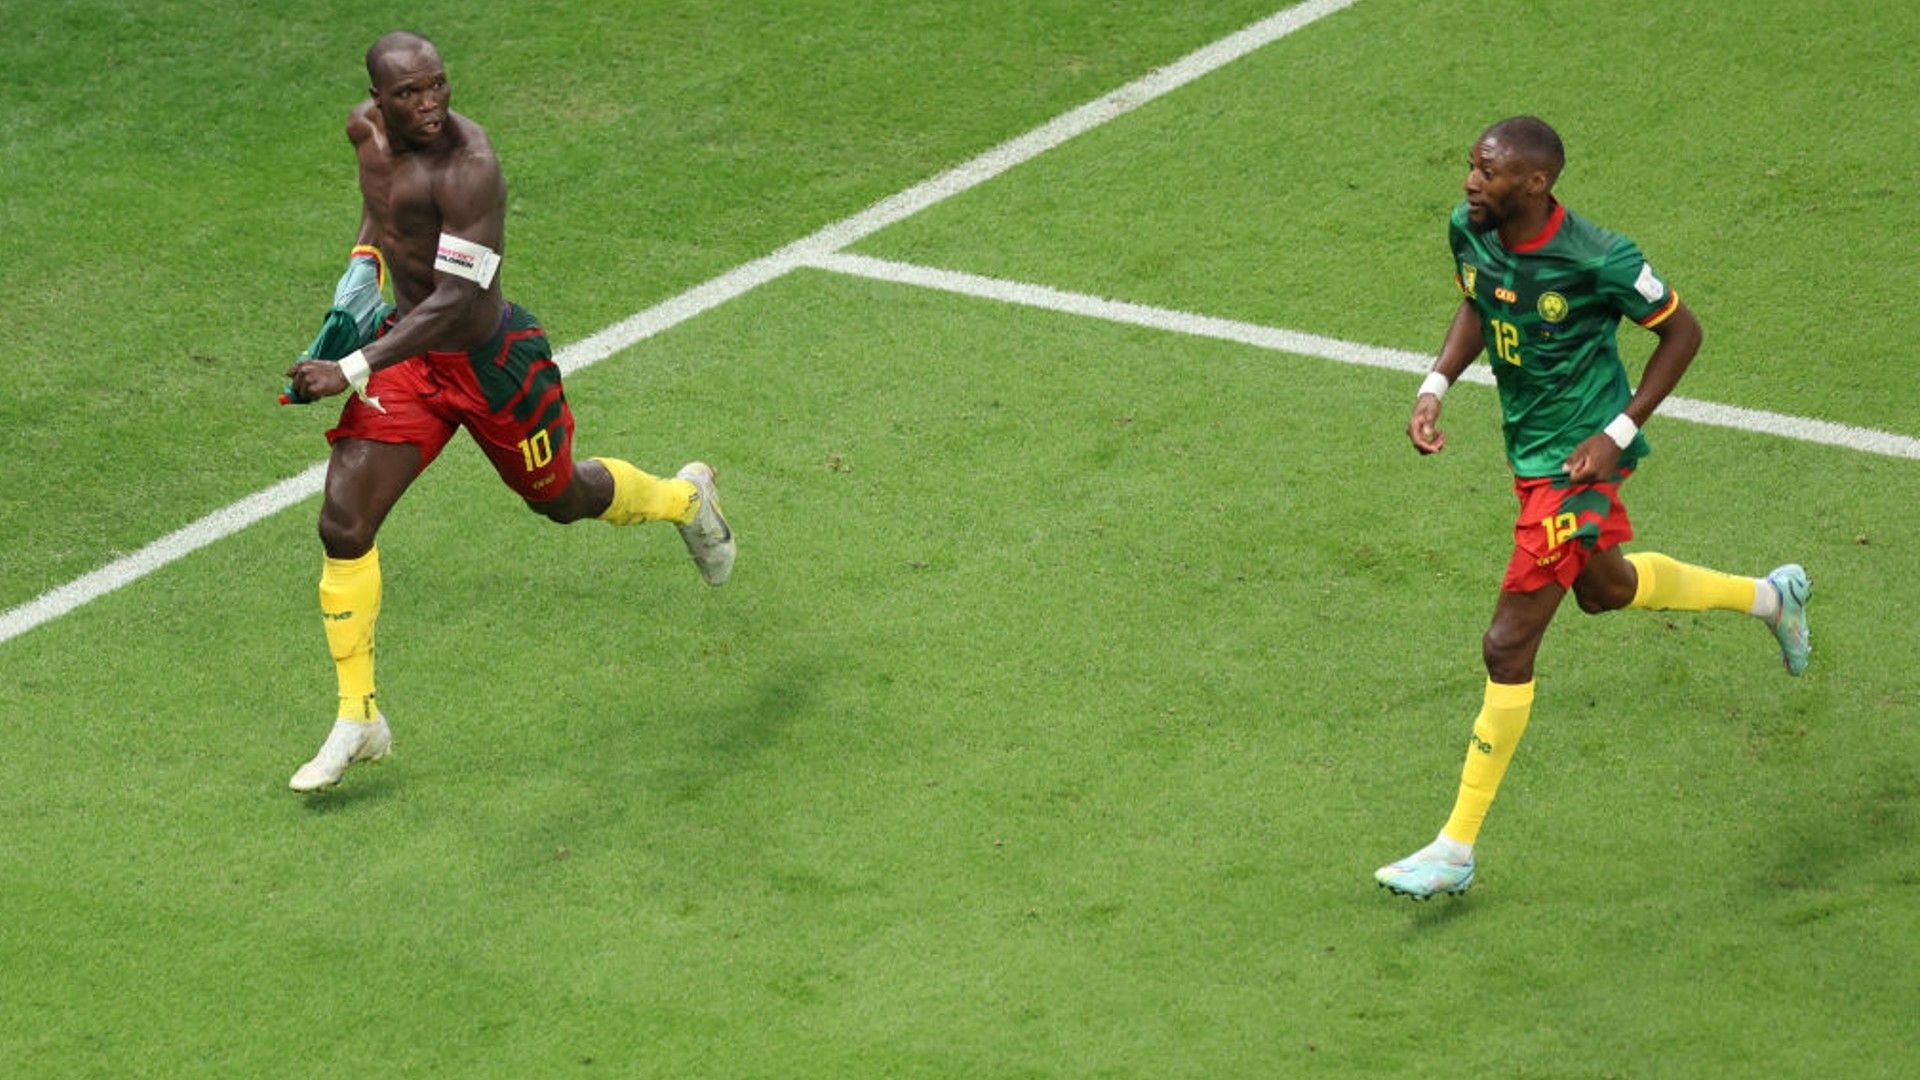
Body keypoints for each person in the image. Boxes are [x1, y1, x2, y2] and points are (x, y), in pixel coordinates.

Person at [282, 31, 734, 793]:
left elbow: (458, 304)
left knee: (560, 499)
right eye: (410, 95)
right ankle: (359, 716)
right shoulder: (365, 134)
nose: (430, 105)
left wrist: (352, 366)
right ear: (377, 101)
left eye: (438, 86)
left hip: (492, 365)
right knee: (343, 521)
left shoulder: (470, 166)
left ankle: (687, 501)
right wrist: (360, 279)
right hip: (413, 361)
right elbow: (381, 215)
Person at [1373, 116, 1811, 899]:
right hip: (1529, 453)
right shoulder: (1469, 230)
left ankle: (1455, 846)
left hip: (1578, 468)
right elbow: (1478, 303)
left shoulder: (1600, 258)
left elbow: (1683, 332)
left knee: (1507, 646)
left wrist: (1616, 434)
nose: (1471, 182)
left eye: (1488, 171)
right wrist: (1435, 385)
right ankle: (1772, 598)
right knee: (1604, 590)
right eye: (1470, 166)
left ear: (1536, 183)